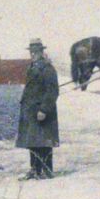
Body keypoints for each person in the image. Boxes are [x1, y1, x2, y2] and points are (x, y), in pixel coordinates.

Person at [18, 37, 61, 178]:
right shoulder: (33, 66)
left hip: (42, 111)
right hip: (31, 110)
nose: (33, 53)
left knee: (45, 141)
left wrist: (44, 109)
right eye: (31, 51)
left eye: (36, 51)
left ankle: (47, 171)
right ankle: (35, 170)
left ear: (41, 51)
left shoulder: (47, 68)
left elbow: (53, 91)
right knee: (33, 142)